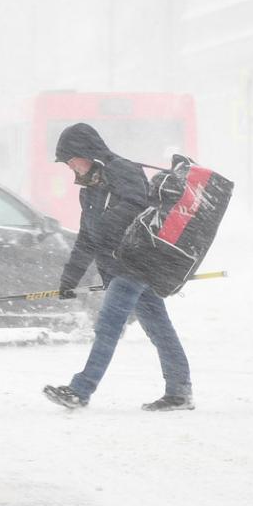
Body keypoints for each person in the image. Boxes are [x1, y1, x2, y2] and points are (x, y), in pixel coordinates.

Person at [42, 123, 193, 412]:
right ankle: (179, 391)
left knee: (108, 326)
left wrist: (104, 228)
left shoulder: (122, 170)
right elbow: (86, 238)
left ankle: (80, 390)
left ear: (86, 153)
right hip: (118, 267)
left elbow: (138, 205)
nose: (70, 166)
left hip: (134, 264)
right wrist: (70, 278)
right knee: (160, 329)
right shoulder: (88, 190)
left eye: (71, 159)